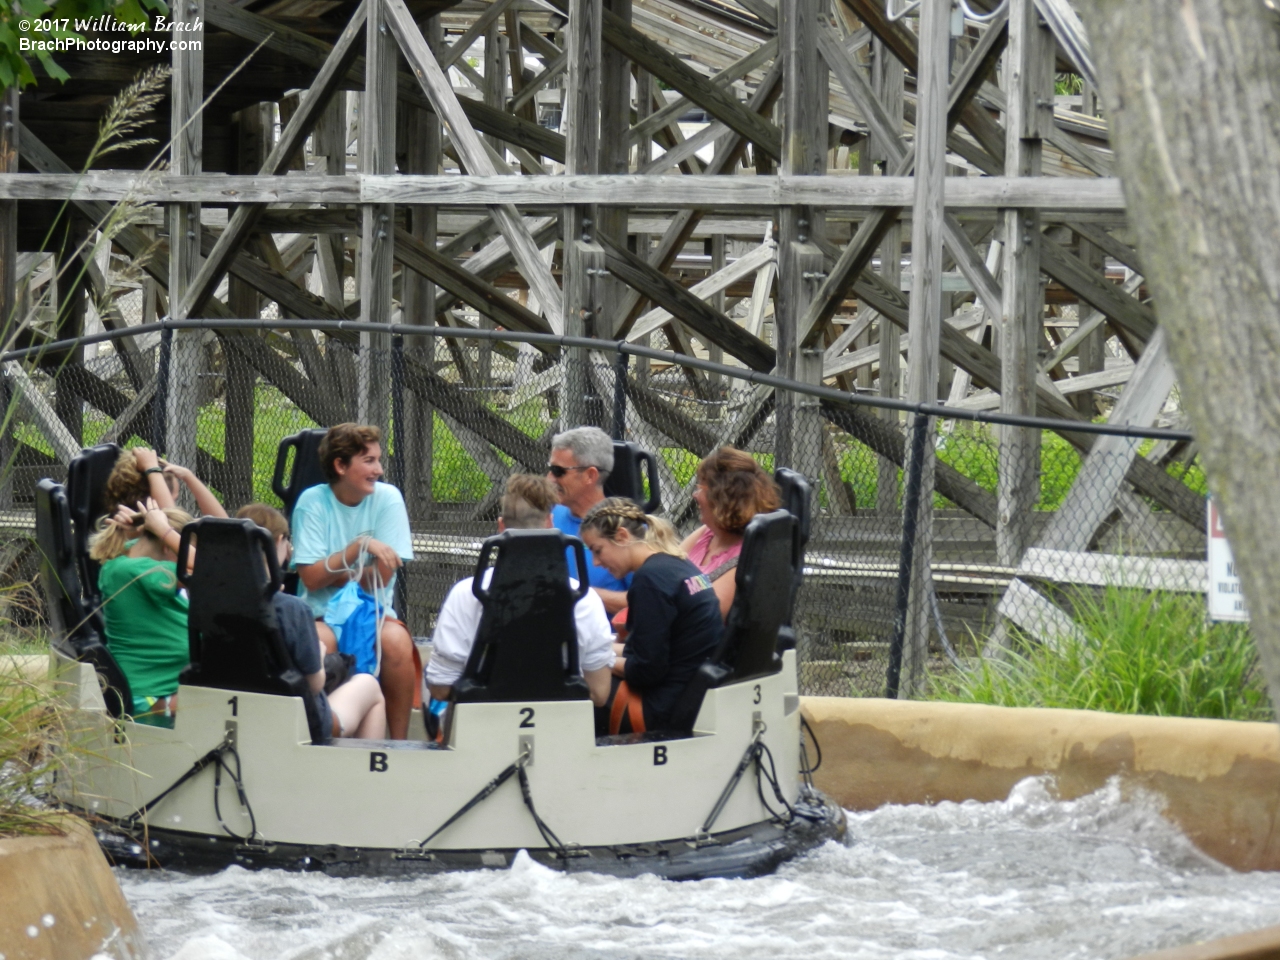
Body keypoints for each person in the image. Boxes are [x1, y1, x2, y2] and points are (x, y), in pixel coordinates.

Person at [425, 475, 615, 711]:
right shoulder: (584, 598)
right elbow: (598, 693)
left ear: (501, 526)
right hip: (561, 728)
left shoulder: (466, 594)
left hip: (481, 729)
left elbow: (441, 687)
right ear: (550, 523)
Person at [290, 423, 417, 739]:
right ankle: (320, 733)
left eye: (378, 460)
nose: (379, 469)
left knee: (397, 643)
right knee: (320, 644)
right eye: (369, 461)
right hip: (321, 613)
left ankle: (398, 743)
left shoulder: (388, 499)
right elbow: (311, 578)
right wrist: (358, 548)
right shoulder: (312, 501)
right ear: (340, 465)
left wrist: (337, 571)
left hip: (373, 612)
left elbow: (376, 581)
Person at [237, 503, 386, 740]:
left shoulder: (210, 602)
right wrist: (319, 652)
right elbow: (315, 684)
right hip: (299, 720)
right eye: (287, 540)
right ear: (277, 542)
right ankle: (364, 775)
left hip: (238, 710)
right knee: (368, 685)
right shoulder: (292, 608)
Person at [579, 498, 723, 734]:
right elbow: (649, 650)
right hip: (689, 697)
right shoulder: (677, 565)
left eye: (598, 550)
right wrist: (597, 651)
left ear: (622, 537)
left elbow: (646, 671)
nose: (596, 562)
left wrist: (588, 662)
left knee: (571, 685)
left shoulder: (650, 580)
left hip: (659, 710)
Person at [89, 498, 194, 723]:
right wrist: (165, 530)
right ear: (167, 546)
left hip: (151, 688)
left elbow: (143, 544)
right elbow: (213, 569)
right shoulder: (145, 572)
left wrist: (139, 530)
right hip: (150, 697)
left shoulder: (124, 561)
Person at [680, 447, 781, 619]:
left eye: (701, 489)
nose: (695, 495)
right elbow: (666, 565)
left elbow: (708, 614)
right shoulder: (707, 533)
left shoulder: (745, 555)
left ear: (720, 498)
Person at [546, 426, 630, 615]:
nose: (549, 478)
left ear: (590, 475)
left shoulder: (627, 529)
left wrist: (577, 594)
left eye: (558, 471)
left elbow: (648, 600)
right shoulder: (552, 515)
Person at [104, 446, 228, 519]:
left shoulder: (112, 527)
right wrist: (152, 468)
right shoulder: (165, 534)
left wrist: (189, 476)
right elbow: (225, 528)